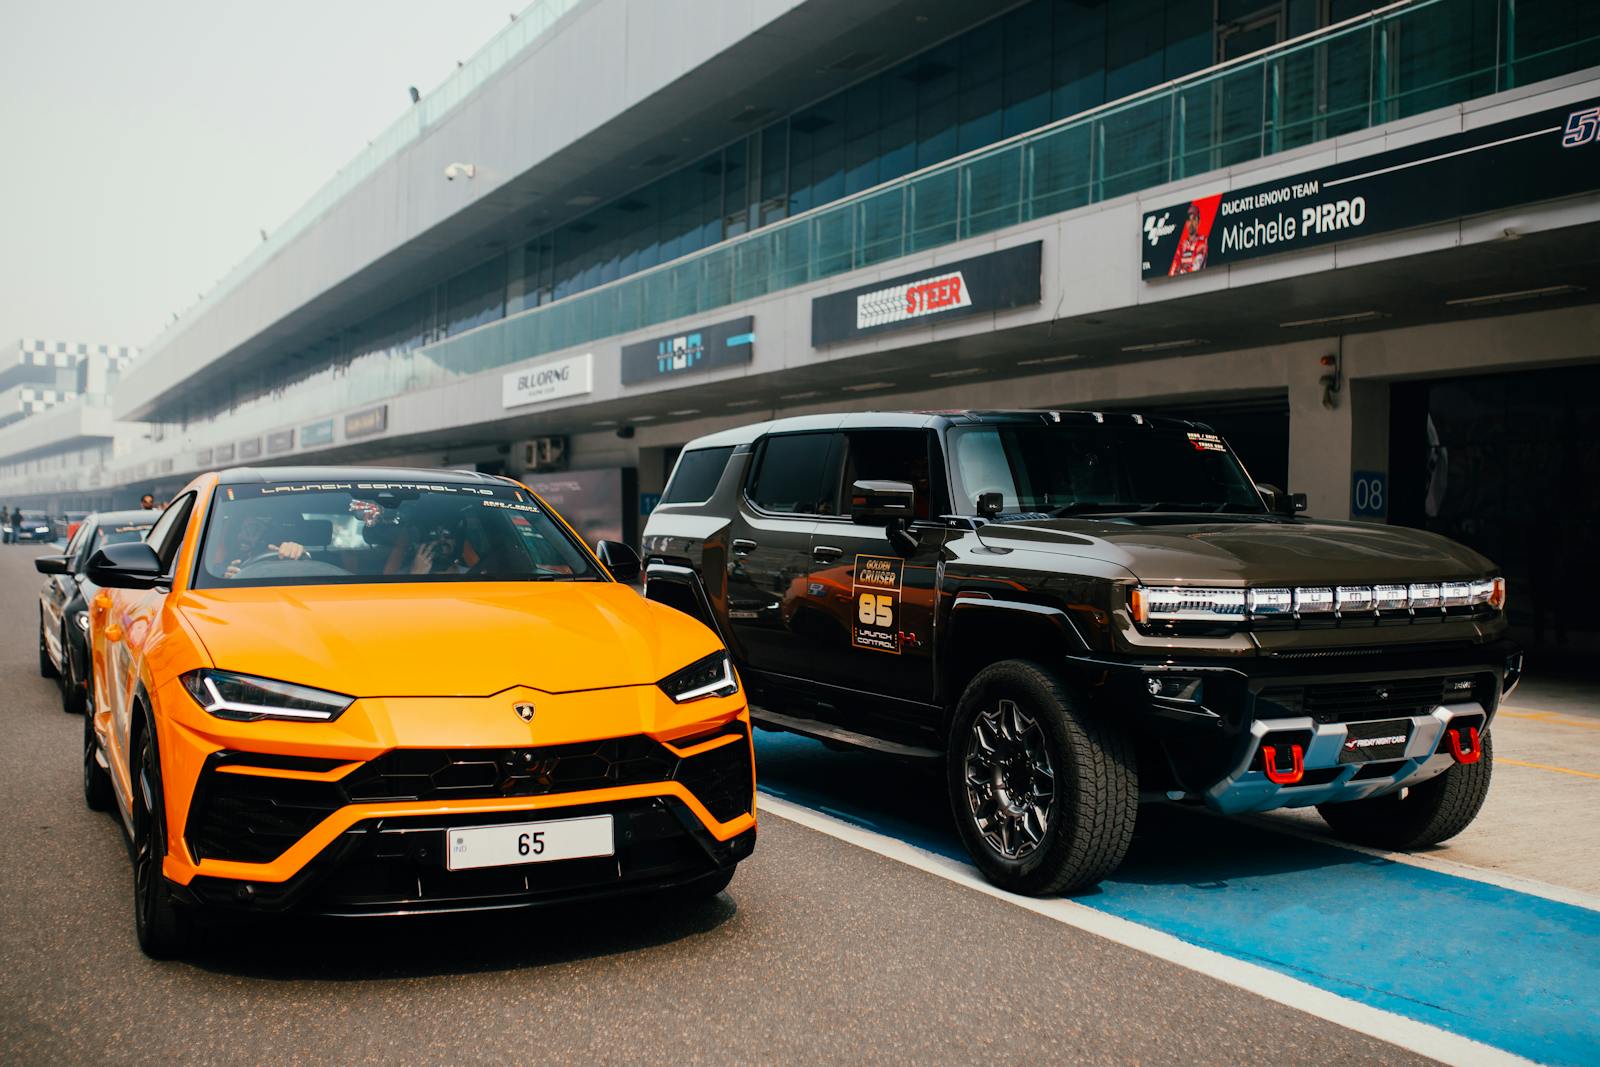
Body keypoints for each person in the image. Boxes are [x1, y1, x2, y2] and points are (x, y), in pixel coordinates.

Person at [207, 511, 307, 579]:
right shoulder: (212, 571)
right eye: (237, 529)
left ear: (266, 536)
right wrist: (226, 582)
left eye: (252, 530)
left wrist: (296, 553)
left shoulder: (283, 562)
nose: (242, 535)